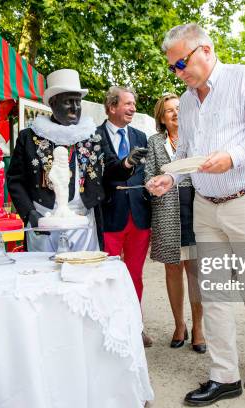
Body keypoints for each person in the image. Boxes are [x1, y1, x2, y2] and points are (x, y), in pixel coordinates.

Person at [147, 23, 245, 405]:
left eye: (182, 62)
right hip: (207, 207)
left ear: (205, 49)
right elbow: (185, 152)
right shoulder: (188, 100)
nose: (179, 72)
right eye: (173, 67)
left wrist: (233, 157)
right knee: (214, 293)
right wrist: (168, 179)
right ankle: (224, 375)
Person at [7, 69, 146, 253]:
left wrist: (127, 162)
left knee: (84, 275)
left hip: (84, 222)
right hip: (44, 222)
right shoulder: (29, 137)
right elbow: (15, 180)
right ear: (53, 103)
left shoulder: (91, 135)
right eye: (68, 102)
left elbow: (111, 169)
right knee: (44, 276)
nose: (75, 107)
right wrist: (29, 213)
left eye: (78, 102)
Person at [143, 93, 205, 353]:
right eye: (169, 111)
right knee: (172, 270)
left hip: (196, 209)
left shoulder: (197, 137)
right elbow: (149, 175)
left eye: (179, 108)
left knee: (195, 272)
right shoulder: (154, 142)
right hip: (167, 211)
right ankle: (179, 325)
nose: (175, 113)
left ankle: (199, 329)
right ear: (161, 118)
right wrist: (152, 185)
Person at [96, 86, 152, 346]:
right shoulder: (94, 136)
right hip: (109, 214)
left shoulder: (141, 136)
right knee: (106, 276)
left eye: (134, 103)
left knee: (135, 276)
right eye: (128, 104)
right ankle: (108, 327)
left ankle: (135, 325)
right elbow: (103, 172)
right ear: (111, 107)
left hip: (138, 215)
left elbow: (148, 173)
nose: (133, 108)